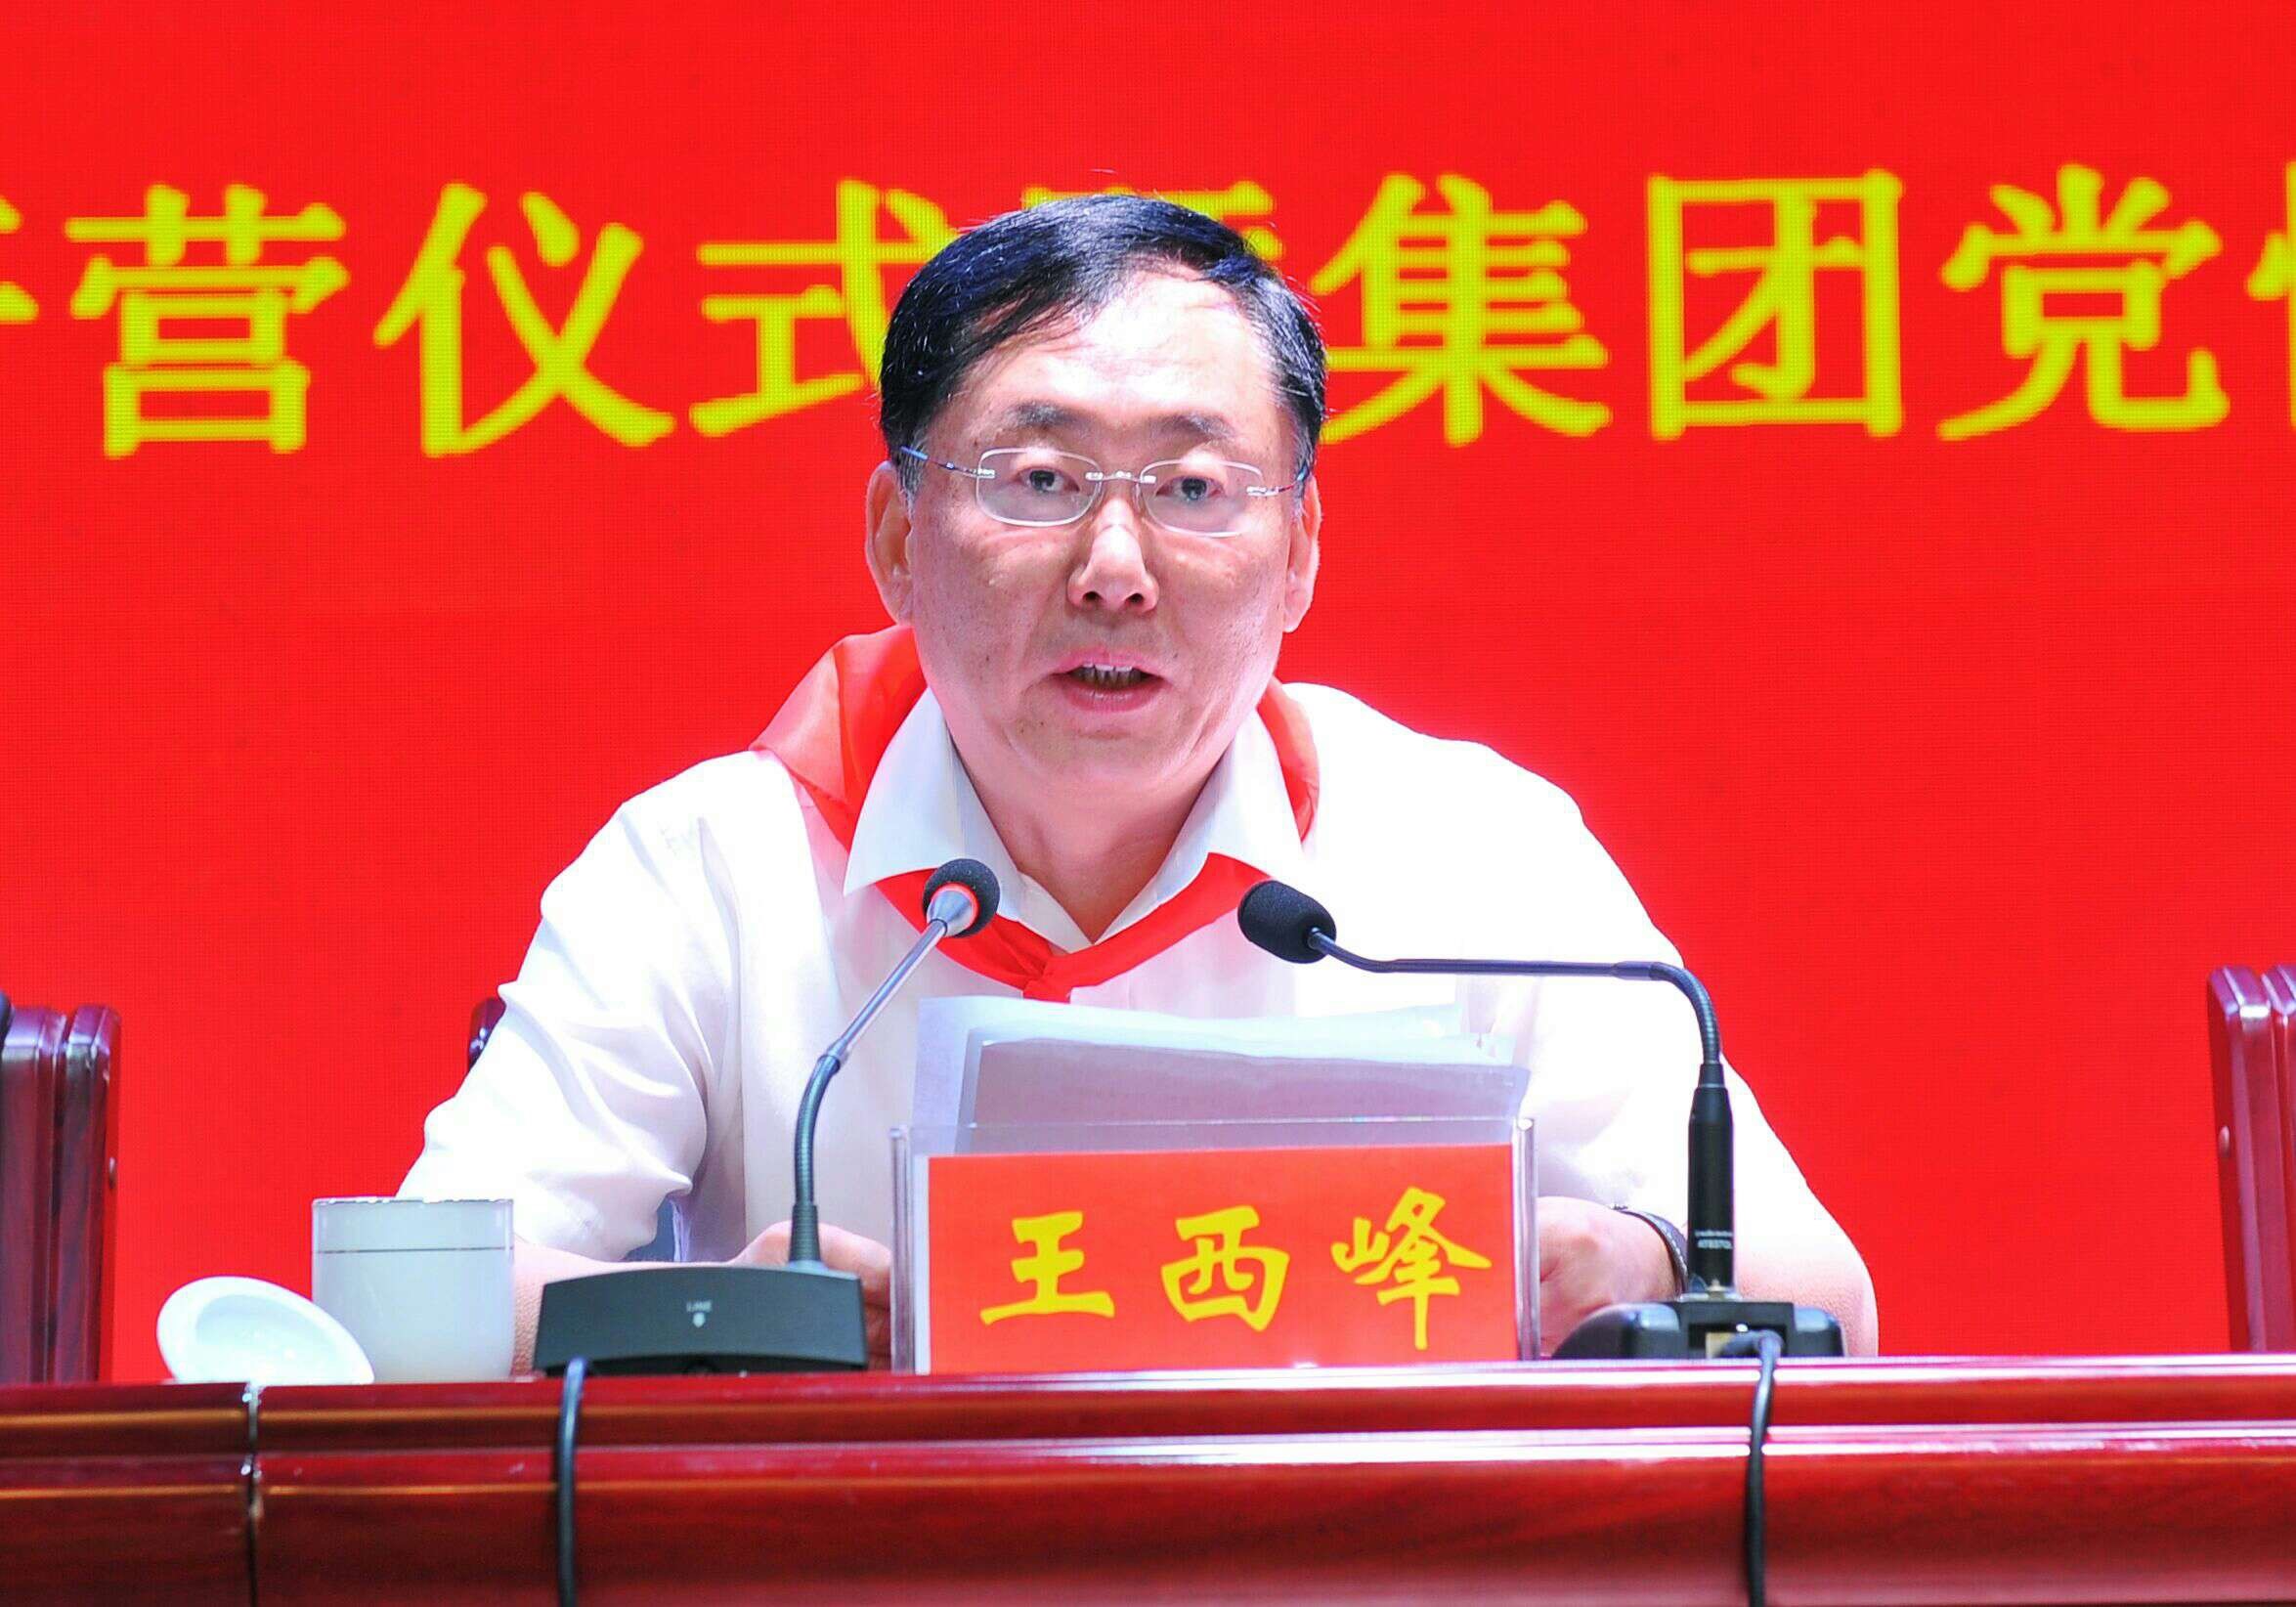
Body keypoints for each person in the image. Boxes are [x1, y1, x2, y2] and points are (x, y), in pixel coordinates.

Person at [402, 196, 1878, 1366]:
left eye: (1192, 490)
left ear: (1298, 555)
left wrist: (1638, 1260)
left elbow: (1828, 1300)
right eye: (1038, 482)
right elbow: (419, 1307)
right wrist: (736, 1314)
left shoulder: (1471, 847)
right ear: (897, 540)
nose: (1114, 569)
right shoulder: (713, 862)